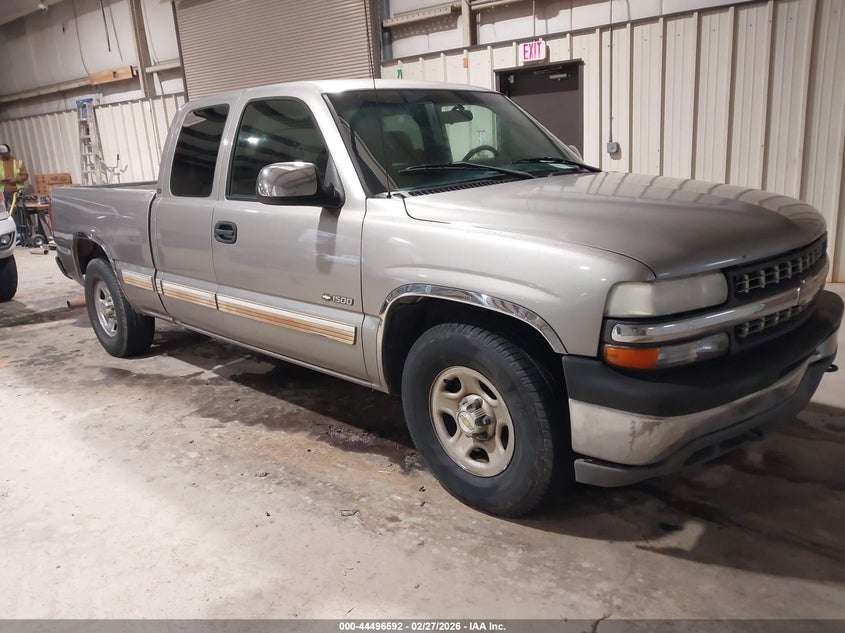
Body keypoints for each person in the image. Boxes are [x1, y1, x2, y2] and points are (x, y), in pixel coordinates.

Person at [0, 143, 29, 242]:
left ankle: (20, 234)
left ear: (9, 152)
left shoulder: (17, 162)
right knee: (5, 214)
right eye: (2, 154)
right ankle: (7, 235)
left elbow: (25, 175)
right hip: (3, 192)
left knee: (17, 213)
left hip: (16, 191)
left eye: (5, 153)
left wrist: (16, 179)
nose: (4, 156)